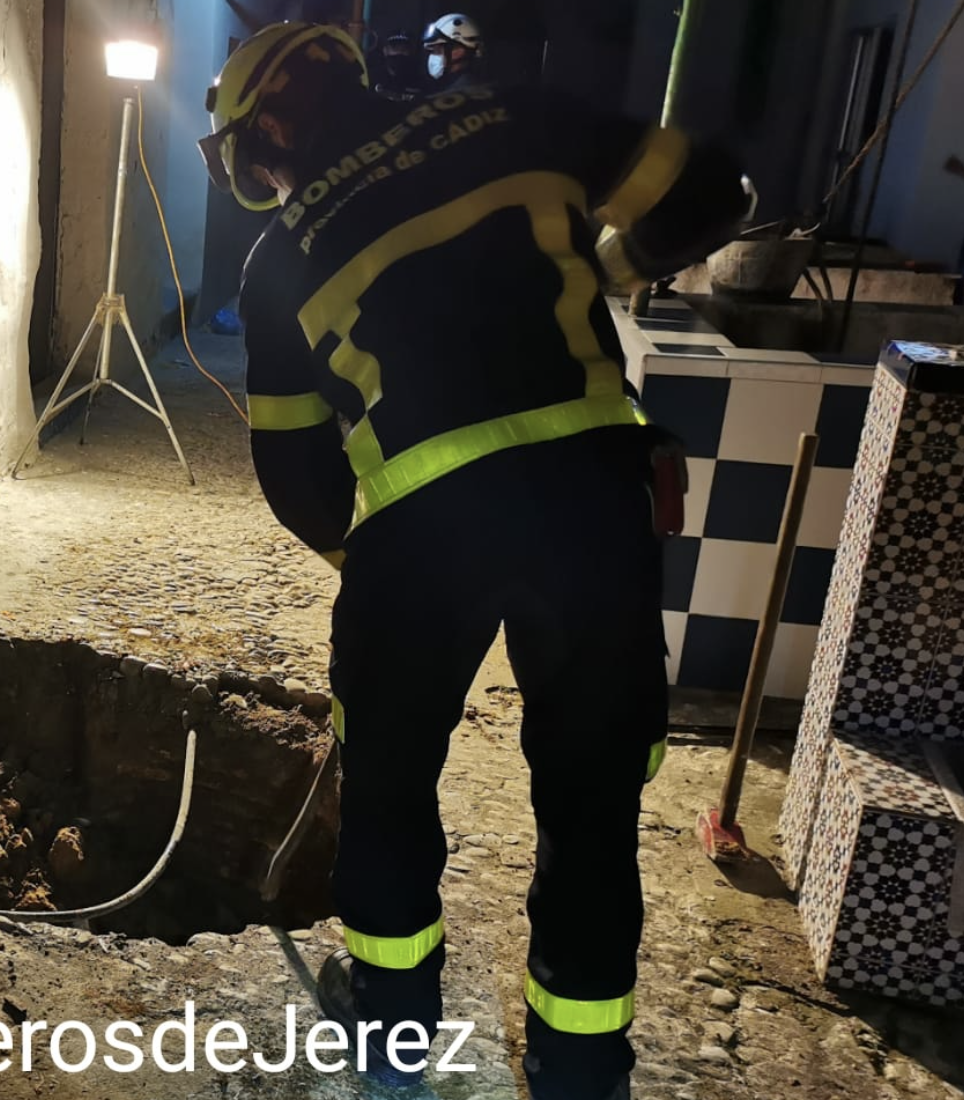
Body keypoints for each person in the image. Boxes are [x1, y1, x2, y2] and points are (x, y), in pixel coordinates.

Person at [198, 21, 750, 1100]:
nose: (259, 179)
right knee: (590, 805)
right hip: (594, 504)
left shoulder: (277, 261)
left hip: (418, 543)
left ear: (264, 128)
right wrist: (594, 272)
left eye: (250, 162)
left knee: (390, 792)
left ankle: (392, 1036)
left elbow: (293, 475)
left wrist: (364, 559)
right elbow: (712, 188)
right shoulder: (510, 116)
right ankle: (578, 1068)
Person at [422, 11, 487, 88]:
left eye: (438, 50)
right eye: (433, 51)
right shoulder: (444, 85)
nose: (433, 56)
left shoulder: (466, 89)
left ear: (459, 51)